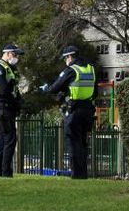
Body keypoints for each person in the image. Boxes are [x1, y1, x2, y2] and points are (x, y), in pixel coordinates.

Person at [40, 45, 97, 179]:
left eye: (65, 58)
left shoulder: (71, 70)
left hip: (75, 110)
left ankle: (76, 174)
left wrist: (46, 89)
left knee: (73, 141)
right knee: (83, 142)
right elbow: (95, 92)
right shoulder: (90, 69)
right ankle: (83, 174)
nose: (65, 61)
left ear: (69, 57)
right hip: (88, 109)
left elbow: (55, 87)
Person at [0, 43, 24, 178]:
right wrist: (15, 102)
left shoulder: (10, 68)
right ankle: (5, 172)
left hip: (8, 107)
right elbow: (4, 90)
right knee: (10, 139)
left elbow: (14, 90)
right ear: (7, 53)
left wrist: (18, 103)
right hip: (2, 107)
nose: (17, 57)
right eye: (15, 54)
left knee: (3, 139)